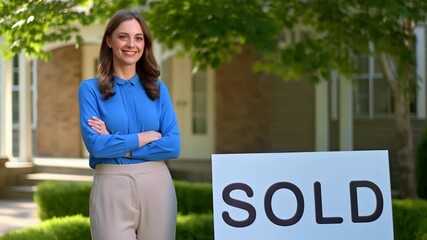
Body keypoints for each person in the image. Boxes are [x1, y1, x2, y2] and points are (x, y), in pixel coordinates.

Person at [78, 9, 180, 240]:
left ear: (145, 44)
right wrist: (145, 137)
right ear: (109, 40)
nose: (131, 44)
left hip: (157, 185)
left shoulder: (158, 89)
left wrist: (118, 143)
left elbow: (173, 145)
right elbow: (97, 146)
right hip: (110, 186)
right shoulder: (90, 90)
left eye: (138, 37)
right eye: (123, 36)